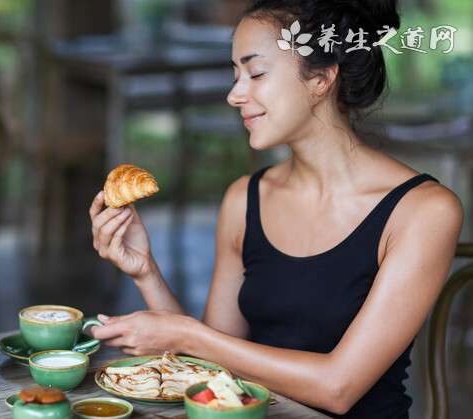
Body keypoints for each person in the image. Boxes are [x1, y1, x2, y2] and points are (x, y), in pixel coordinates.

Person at [87, 0, 463, 418]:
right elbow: (213, 368)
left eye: (257, 73)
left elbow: (339, 387)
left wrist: (189, 336)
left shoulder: (423, 211)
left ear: (321, 78)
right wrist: (146, 271)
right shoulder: (244, 198)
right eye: (235, 74)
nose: (234, 94)